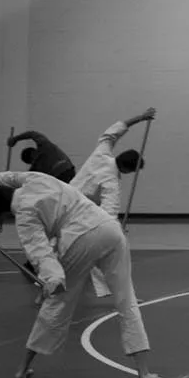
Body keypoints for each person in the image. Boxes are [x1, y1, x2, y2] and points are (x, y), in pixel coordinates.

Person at [0, 172, 157, 378]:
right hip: (109, 227)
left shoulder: (25, 217)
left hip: (79, 239)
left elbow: (39, 252)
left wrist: (53, 278)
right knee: (126, 298)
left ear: (0, 214)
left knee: (56, 303)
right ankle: (143, 371)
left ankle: (23, 367)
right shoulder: (35, 178)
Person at [68, 108, 156, 297]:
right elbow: (109, 212)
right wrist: (117, 230)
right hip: (78, 213)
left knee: (62, 250)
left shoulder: (101, 154)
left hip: (64, 201)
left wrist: (140, 118)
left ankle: (47, 286)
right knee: (105, 251)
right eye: (132, 172)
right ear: (126, 168)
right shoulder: (111, 183)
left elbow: (113, 132)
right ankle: (118, 291)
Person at [6, 129, 77, 183]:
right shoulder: (44, 145)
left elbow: (25, 181)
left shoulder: (35, 170)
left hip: (60, 180)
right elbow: (32, 134)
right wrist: (15, 139)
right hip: (69, 170)